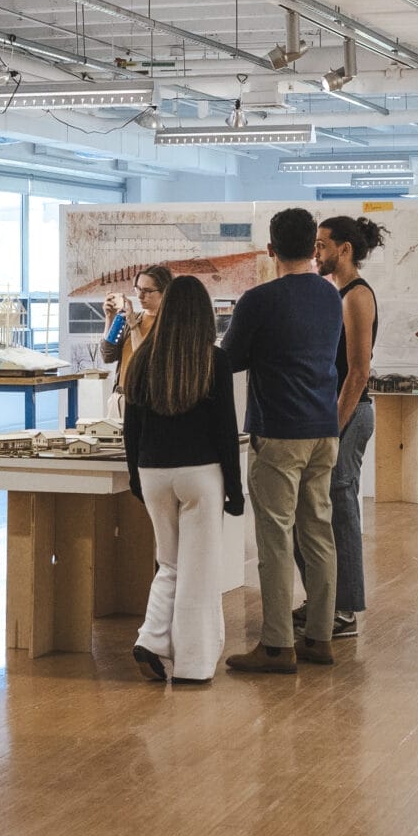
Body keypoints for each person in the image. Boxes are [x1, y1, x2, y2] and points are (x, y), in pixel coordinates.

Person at [220, 207, 344, 673]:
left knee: (274, 538)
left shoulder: (258, 300)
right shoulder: (331, 296)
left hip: (279, 431)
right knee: (318, 534)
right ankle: (320, 636)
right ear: (314, 248)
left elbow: (229, 360)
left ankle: (275, 645)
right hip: (322, 429)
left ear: (271, 249)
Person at [125, 275, 244, 685]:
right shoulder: (214, 360)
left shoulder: (143, 358)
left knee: (170, 563)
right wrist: (235, 487)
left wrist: (135, 478)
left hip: (152, 471)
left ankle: (151, 638)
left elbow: (131, 428)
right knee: (199, 568)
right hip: (200, 474)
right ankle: (193, 664)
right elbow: (225, 432)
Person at [312, 215, 384, 640]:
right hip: (337, 412)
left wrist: (334, 428)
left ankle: (345, 610)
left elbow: (358, 373)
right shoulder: (335, 293)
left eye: (322, 245)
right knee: (327, 511)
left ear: (345, 250)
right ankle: (327, 601)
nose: (316, 253)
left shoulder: (356, 296)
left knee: (342, 512)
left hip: (351, 414)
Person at [100, 264, 171, 407]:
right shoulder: (133, 318)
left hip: (150, 400)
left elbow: (146, 360)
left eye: (147, 291)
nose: (140, 295)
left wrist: (133, 325)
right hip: (120, 396)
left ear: (165, 292)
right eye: (137, 289)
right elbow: (108, 355)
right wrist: (110, 318)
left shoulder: (169, 326)